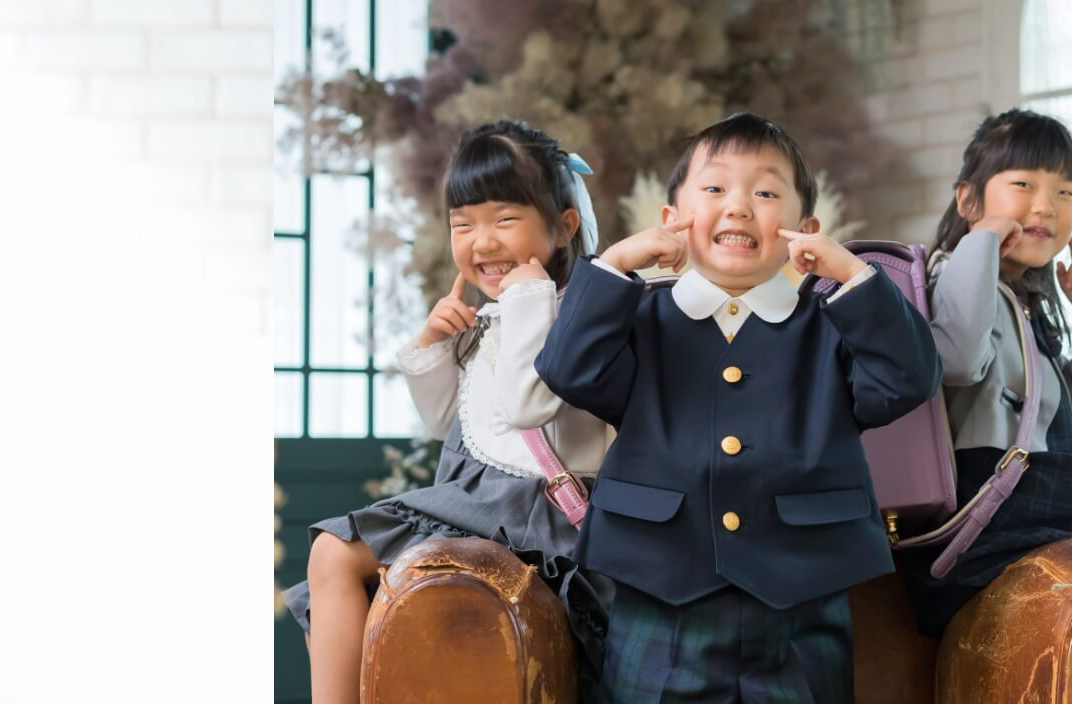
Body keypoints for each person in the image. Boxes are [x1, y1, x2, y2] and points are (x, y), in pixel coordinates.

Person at [538, 113, 936, 699]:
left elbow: (906, 379)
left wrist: (853, 274)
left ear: (806, 229)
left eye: (767, 192)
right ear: (672, 220)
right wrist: (615, 266)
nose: (740, 206)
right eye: (716, 188)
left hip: (802, 600)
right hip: (661, 589)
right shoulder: (639, 317)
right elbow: (569, 369)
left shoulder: (831, 326)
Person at [287, 120, 616, 703]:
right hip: (472, 499)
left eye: (503, 219)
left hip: (534, 518)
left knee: (335, 553)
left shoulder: (576, 313)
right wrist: (435, 343)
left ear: (564, 226)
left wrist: (524, 303)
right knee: (331, 557)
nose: (481, 242)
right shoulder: (501, 310)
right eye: (463, 224)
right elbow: (450, 426)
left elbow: (525, 406)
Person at [898, 109, 1072, 635]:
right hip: (992, 500)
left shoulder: (1027, 300)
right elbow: (957, 361)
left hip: (1040, 487)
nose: (1045, 206)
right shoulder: (947, 276)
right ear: (968, 201)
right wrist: (979, 242)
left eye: (1065, 192)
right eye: (1023, 183)